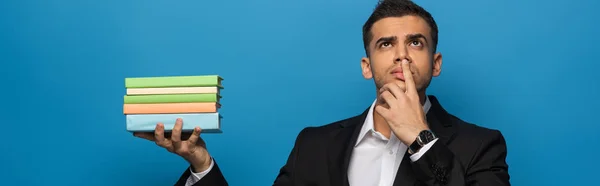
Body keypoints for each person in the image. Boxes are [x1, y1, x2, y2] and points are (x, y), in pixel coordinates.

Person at [134, 0, 511, 185]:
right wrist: (201, 164)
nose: (400, 54)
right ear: (367, 67)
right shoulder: (313, 146)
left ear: (436, 62)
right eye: (385, 44)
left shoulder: (481, 145)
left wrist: (421, 139)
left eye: (415, 43)